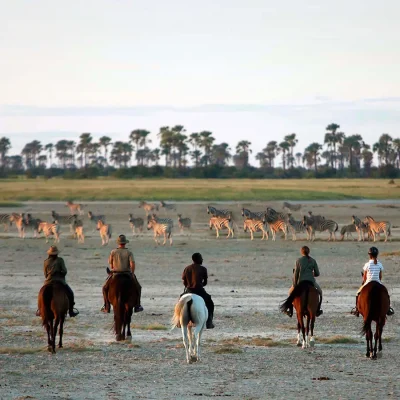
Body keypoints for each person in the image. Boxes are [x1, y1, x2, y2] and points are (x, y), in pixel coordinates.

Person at [101, 234, 143, 313]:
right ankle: (137, 305)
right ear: (125, 243)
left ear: (118, 243)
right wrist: (132, 273)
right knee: (138, 287)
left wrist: (113, 268)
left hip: (115, 273)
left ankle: (106, 306)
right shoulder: (129, 252)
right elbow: (132, 264)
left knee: (104, 288)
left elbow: (111, 264)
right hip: (127, 273)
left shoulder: (113, 252)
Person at [36, 246, 79, 317]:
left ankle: (40, 310)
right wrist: (61, 275)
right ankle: (71, 311)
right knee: (70, 293)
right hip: (60, 281)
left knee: (40, 294)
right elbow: (64, 271)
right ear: (56, 254)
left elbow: (45, 274)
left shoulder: (46, 262)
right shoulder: (60, 260)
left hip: (48, 281)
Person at [351, 247, 394, 317]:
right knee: (387, 293)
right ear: (377, 255)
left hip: (368, 282)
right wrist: (378, 281)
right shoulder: (380, 264)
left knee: (357, 293)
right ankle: (388, 309)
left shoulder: (367, 264)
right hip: (378, 282)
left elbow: (365, 276)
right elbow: (380, 276)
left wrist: (365, 282)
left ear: (369, 255)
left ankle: (357, 309)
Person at [284, 246, 323, 318]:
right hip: (311, 281)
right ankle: (318, 309)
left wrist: (295, 284)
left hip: (300, 281)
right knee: (320, 292)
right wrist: (311, 274)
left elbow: (296, 274)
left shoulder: (298, 260)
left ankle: (290, 310)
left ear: (301, 252)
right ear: (309, 252)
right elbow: (317, 273)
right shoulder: (313, 260)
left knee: (290, 293)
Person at [179, 253, 215, 329]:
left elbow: (184, 281)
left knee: (180, 301)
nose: (202, 260)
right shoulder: (203, 269)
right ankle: (209, 322)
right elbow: (205, 282)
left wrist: (188, 284)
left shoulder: (187, 268)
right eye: (201, 258)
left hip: (189, 290)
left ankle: (178, 321)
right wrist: (200, 284)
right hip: (199, 291)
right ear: (198, 259)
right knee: (210, 302)